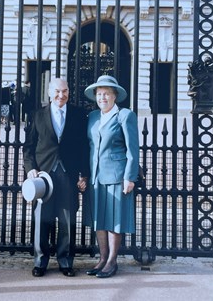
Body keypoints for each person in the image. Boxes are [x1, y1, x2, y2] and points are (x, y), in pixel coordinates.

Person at [23, 77, 89, 278]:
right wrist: (30, 169)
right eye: (58, 92)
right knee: (42, 218)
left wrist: (84, 175)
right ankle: (40, 261)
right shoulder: (37, 115)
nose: (62, 95)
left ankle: (65, 261)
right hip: (44, 175)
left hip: (68, 173)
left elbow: (84, 147)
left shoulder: (79, 114)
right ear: (50, 93)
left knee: (67, 220)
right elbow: (29, 148)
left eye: (65, 91)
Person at [83, 75, 139, 278]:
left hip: (117, 175)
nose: (102, 97)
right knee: (99, 219)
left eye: (107, 93)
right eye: (99, 94)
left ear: (115, 96)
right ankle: (102, 258)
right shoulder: (92, 117)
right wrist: (85, 174)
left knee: (115, 220)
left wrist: (130, 177)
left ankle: (112, 261)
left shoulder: (125, 115)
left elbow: (133, 149)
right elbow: (88, 147)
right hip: (96, 176)